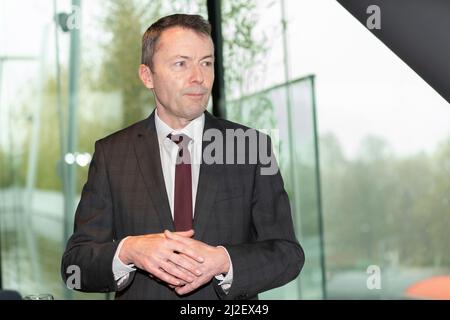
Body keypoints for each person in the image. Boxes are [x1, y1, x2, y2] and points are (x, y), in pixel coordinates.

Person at [61, 13, 304, 300]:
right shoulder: (112, 154)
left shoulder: (250, 147)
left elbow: (288, 254)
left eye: (207, 63)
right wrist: (128, 251)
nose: (198, 77)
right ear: (147, 76)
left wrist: (224, 261)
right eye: (181, 63)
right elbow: (74, 265)